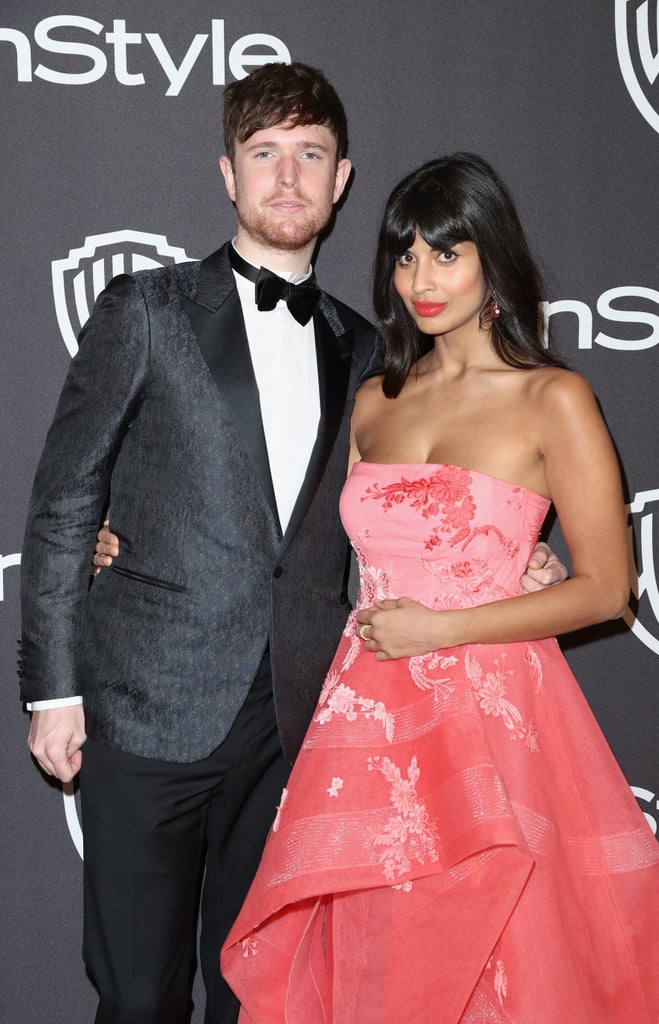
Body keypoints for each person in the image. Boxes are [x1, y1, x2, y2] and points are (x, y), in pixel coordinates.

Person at [20, 61, 564, 1024]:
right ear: (228, 174)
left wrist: (518, 550)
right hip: (149, 709)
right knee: (139, 995)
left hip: (302, 723)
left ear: (341, 178)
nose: (286, 177)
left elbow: (417, 496)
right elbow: (66, 502)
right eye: (263, 154)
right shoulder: (145, 311)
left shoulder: (368, 350)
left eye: (308, 155)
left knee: (262, 991)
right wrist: (53, 688)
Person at [219, 153, 659, 1023]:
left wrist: (444, 625)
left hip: (495, 722)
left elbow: (606, 589)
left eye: (446, 253)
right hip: (367, 725)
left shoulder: (553, 397)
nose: (420, 280)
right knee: (386, 970)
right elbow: (288, 548)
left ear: (491, 261)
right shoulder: (374, 401)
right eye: (404, 256)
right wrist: (116, 543)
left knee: (505, 959)